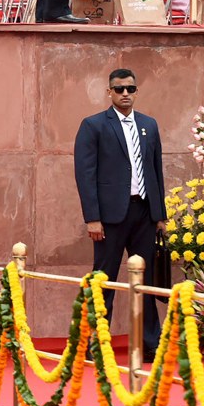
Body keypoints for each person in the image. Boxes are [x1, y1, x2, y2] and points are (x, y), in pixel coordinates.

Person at [74, 68, 164, 362]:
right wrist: (92, 218)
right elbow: (85, 175)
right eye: (119, 89)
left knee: (147, 280)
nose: (125, 94)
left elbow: (155, 172)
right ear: (109, 92)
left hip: (144, 213)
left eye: (130, 89)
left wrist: (159, 214)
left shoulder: (149, 125)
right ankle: (96, 343)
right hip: (110, 217)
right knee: (104, 279)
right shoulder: (94, 125)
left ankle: (150, 342)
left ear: (136, 91)